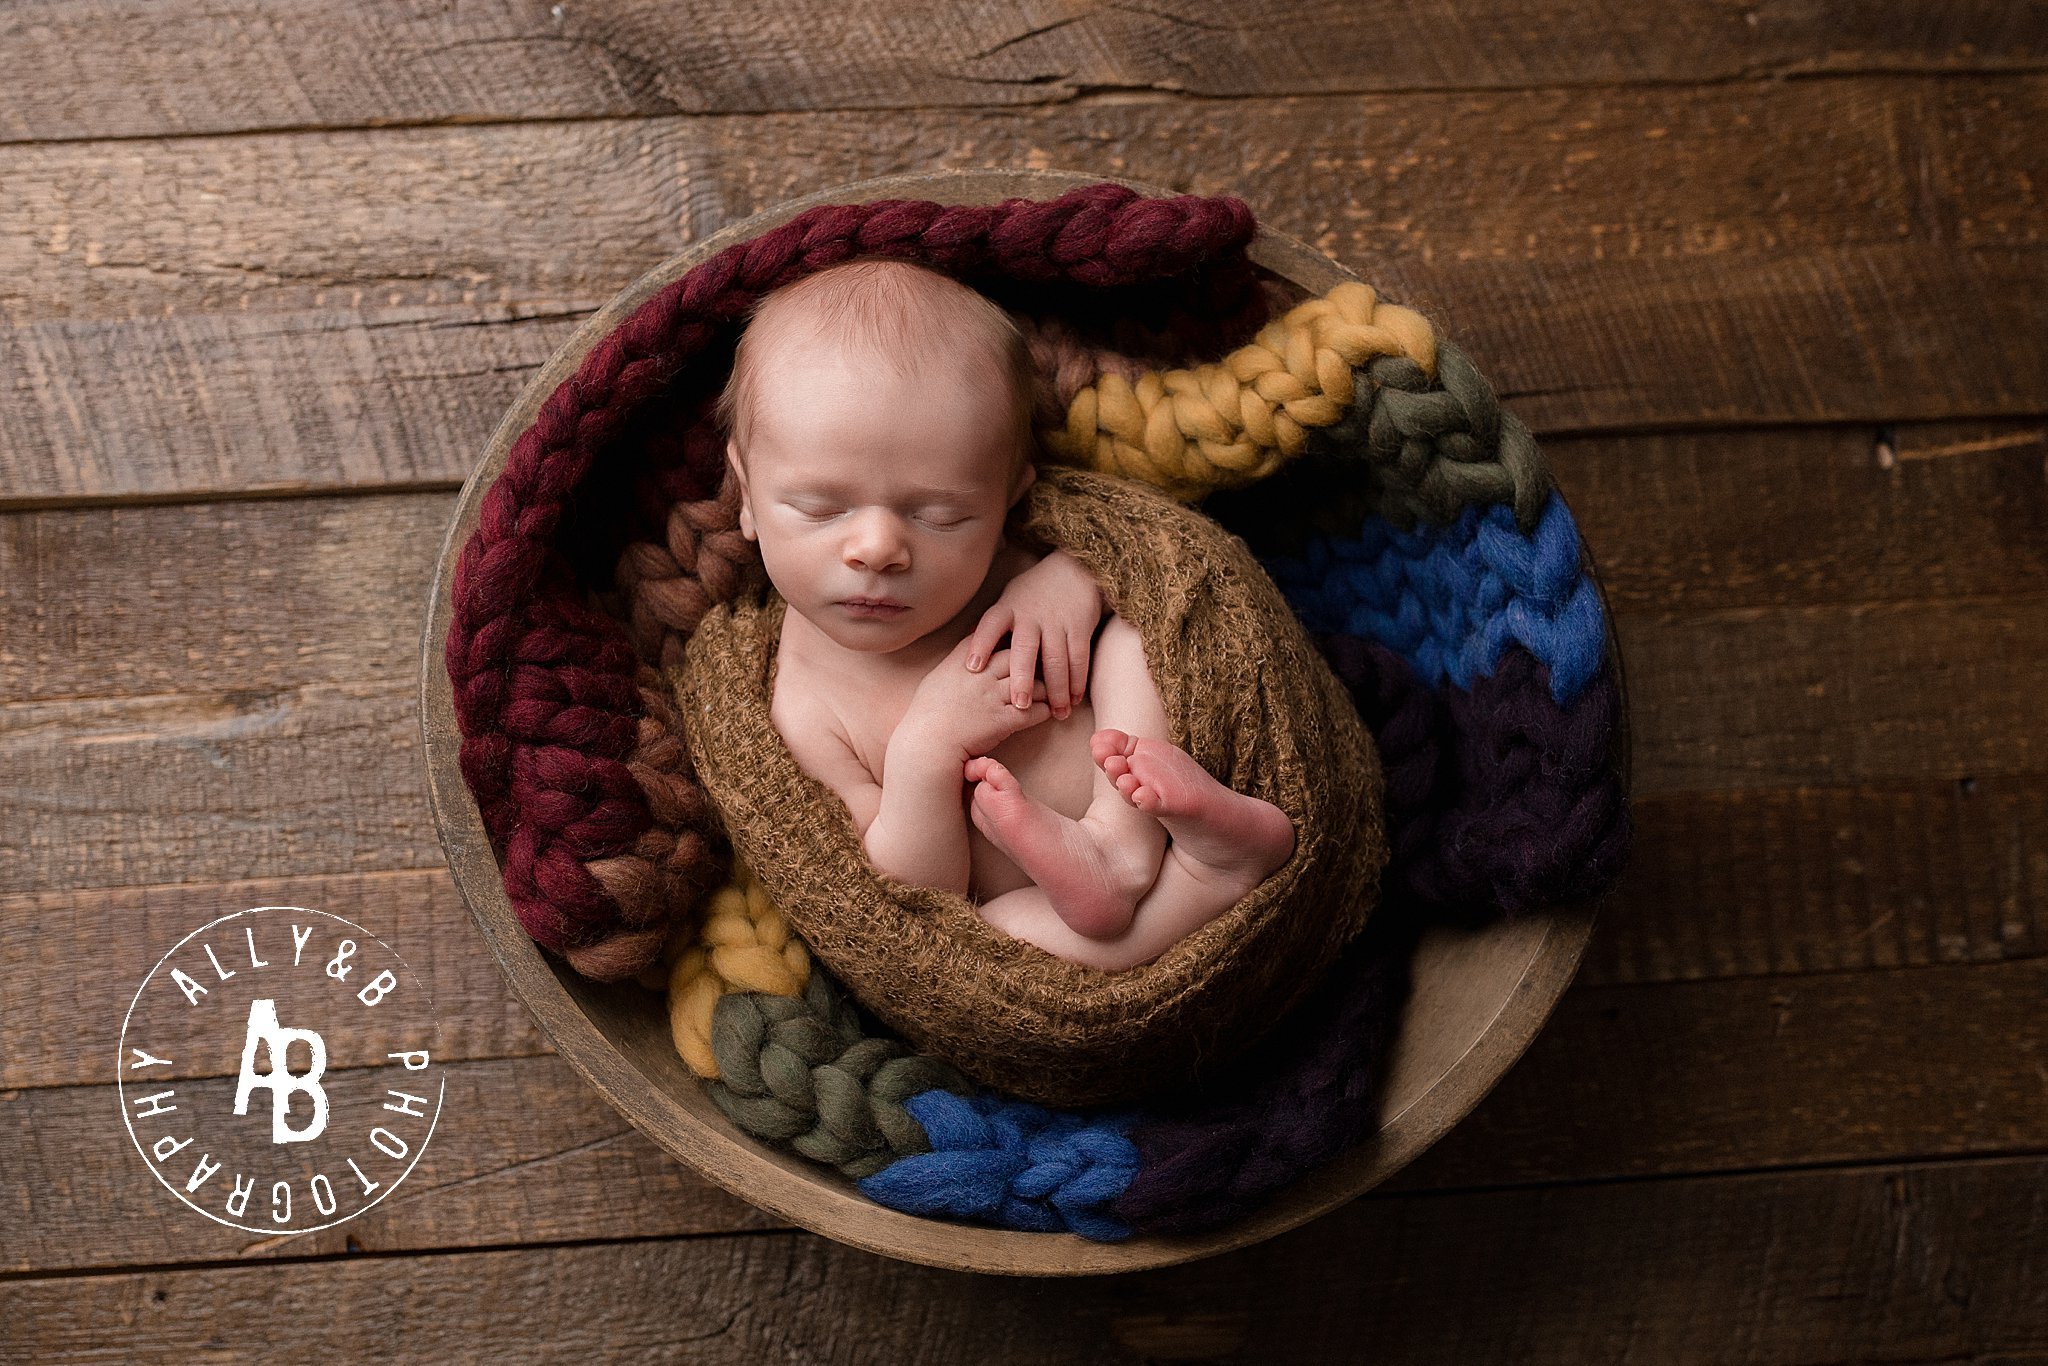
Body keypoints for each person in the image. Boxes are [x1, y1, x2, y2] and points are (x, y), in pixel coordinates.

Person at [715, 258, 1295, 972]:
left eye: (941, 516)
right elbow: (910, 896)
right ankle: (1218, 875)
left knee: (1146, 631)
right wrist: (926, 748)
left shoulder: (1012, 557)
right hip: (1055, 899)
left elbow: (1163, 557)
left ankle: (1120, 841)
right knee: (1005, 940)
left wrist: (1074, 577)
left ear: (1006, 500)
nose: (877, 548)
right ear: (745, 492)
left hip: (1168, 778)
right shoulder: (802, 704)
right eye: (821, 508)